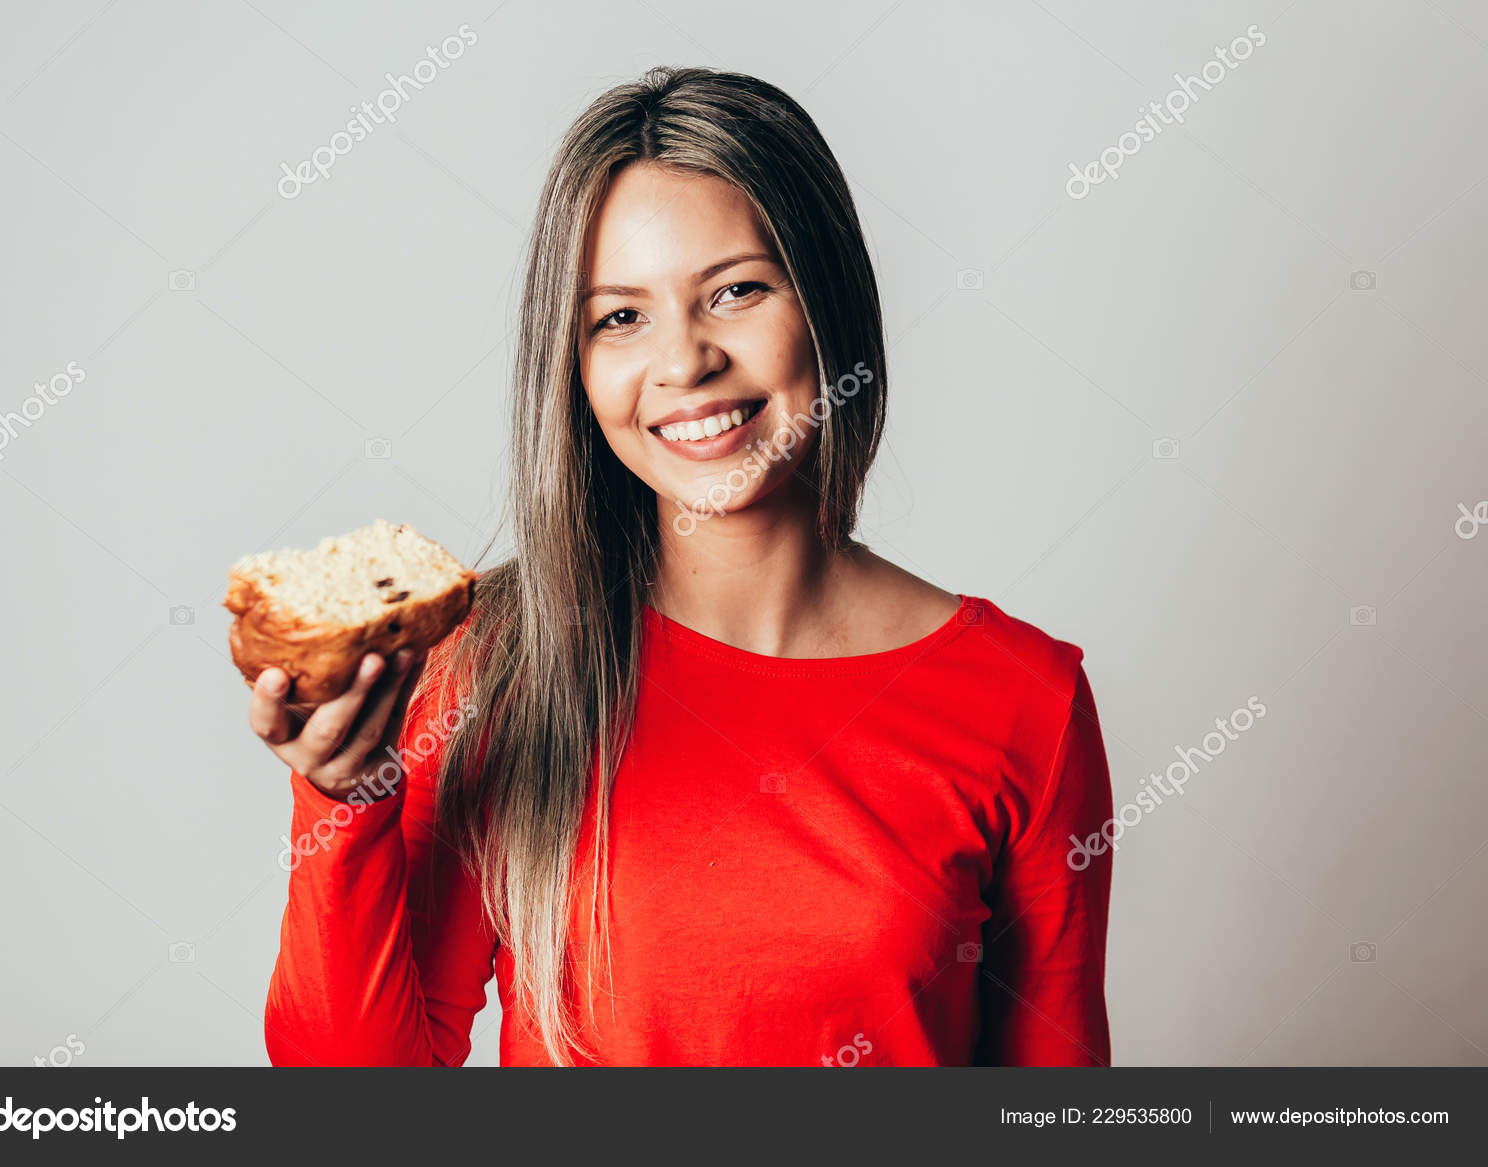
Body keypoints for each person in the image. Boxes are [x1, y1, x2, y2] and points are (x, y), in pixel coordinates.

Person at [251, 65, 1113, 1067]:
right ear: (571, 368)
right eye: (619, 318)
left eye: (735, 291)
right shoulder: (487, 666)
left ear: (825, 303)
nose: (684, 361)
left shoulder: (1023, 700)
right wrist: (344, 801)